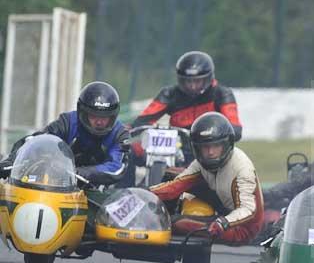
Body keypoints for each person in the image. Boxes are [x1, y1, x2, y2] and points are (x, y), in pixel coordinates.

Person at [121, 51, 243, 185]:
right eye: (187, 81)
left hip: (205, 149)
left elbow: (235, 129)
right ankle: (123, 192)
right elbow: (144, 120)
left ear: (208, 78)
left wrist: (213, 135)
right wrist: (129, 129)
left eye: (197, 81)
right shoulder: (170, 93)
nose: (192, 86)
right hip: (176, 147)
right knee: (128, 151)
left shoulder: (221, 94)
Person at [149, 112, 264, 245]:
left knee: (177, 223)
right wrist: (146, 194)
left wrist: (223, 222)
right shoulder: (201, 163)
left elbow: (248, 210)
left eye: (216, 146)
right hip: (223, 201)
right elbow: (177, 184)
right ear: (197, 148)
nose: (210, 152)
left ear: (227, 144)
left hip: (240, 227)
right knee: (171, 174)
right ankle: (158, 216)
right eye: (205, 147)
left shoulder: (243, 169)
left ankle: (165, 223)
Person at [0, 81, 129, 186]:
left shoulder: (120, 134)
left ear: (113, 116)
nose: (99, 122)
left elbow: (117, 167)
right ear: (83, 112)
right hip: (57, 186)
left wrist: (83, 173)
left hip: (99, 192)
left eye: (104, 117)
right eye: (94, 116)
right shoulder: (67, 122)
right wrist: (11, 162)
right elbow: (36, 142)